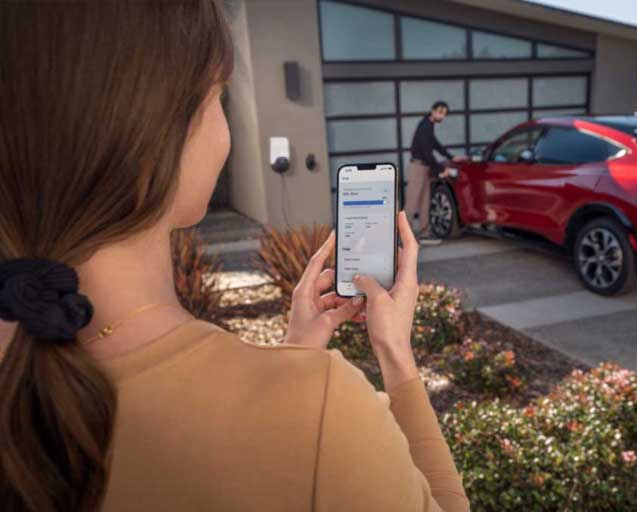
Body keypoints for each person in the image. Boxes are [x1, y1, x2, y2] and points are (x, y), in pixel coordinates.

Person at [0, 2, 470, 511]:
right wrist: (395, 354)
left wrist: (296, 354)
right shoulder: (324, 411)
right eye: (219, 95)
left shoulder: (19, 371)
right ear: (162, 134)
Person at [405, 101, 466, 242]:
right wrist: (441, 169)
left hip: (425, 167)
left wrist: (451, 157)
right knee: (412, 203)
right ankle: (403, 236)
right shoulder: (424, 126)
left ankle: (425, 234)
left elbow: (435, 145)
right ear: (433, 110)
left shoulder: (429, 125)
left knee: (425, 202)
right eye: (440, 112)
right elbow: (427, 152)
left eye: (444, 114)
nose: (442, 116)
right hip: (418, 167)